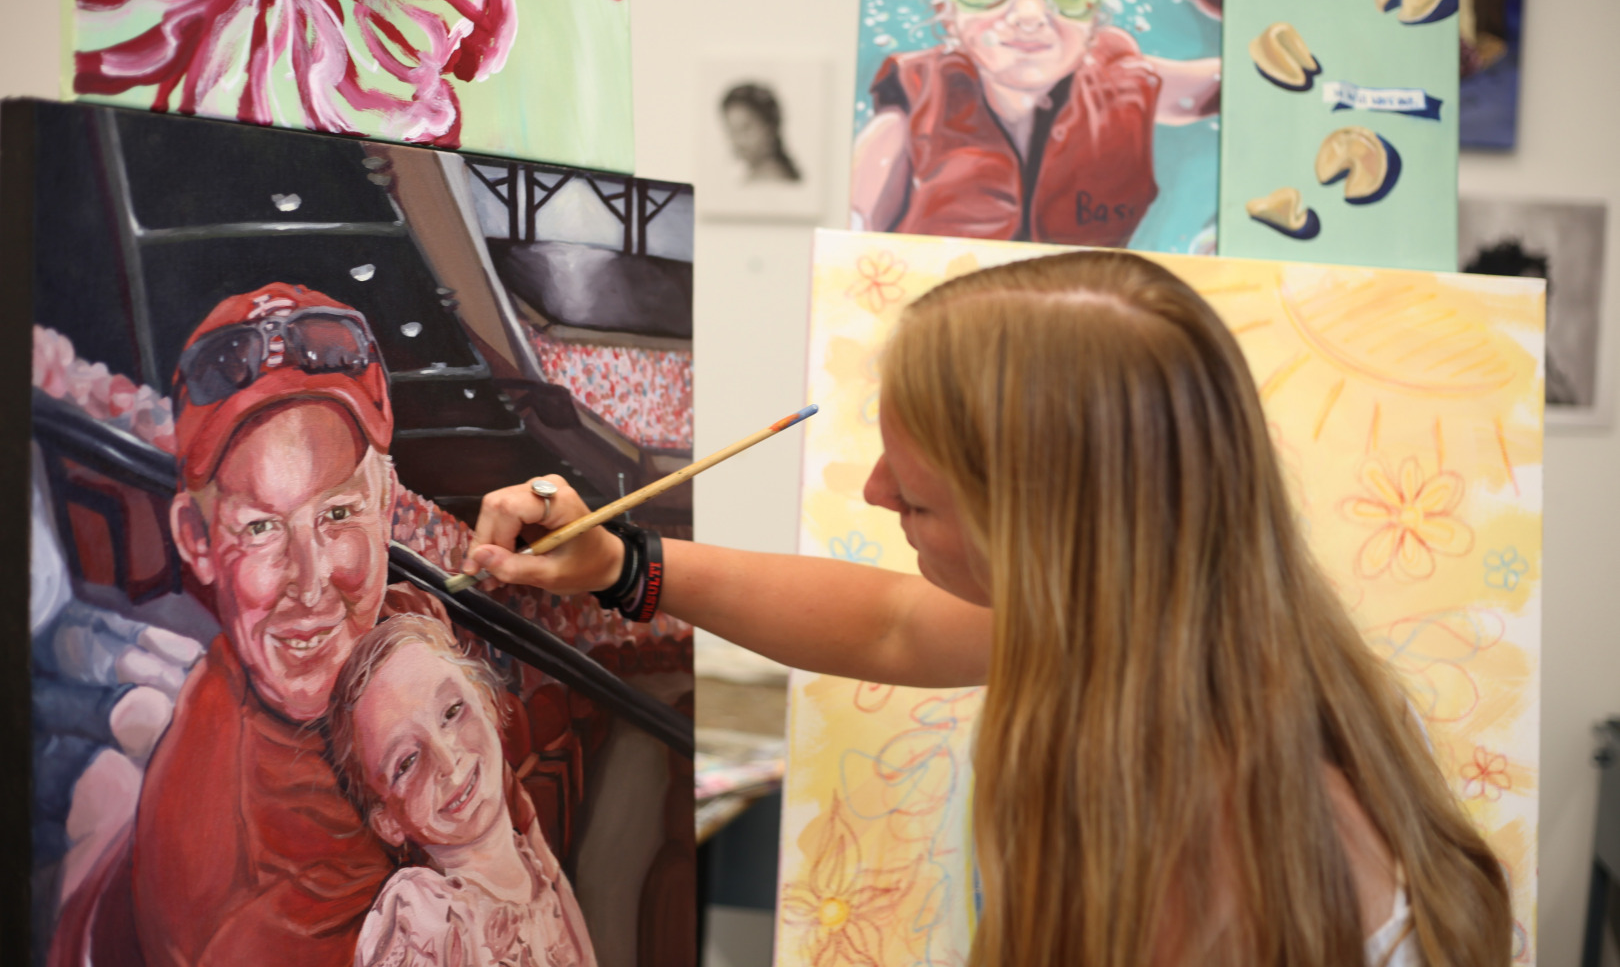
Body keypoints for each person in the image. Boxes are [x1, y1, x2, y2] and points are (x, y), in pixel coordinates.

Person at [464, 251, 1512, 966]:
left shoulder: (1198, 809)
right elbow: (890, 623)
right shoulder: (1179, 622)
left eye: (918, 497)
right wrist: (621, 564)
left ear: (1045, 528)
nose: (875, 492)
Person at [131, 283, 537, 967]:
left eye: (339, 514)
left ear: (387, 503)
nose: (312, 578)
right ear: (196, 540)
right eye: (260, 528)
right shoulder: (222, 868)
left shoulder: (410, 629)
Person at [851, 0, 1221, 247]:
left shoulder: (1121, 82)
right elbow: (852, 233)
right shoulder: (915, 105)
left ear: (1094, 19)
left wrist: (1234, 6)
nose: (1029, 15)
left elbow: (1230, 85)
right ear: (947, 12)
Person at [328, 613, 596, 967]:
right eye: (406, 762)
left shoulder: (539, 869)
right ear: (387, 821)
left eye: (453, 711)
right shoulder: (421, 917)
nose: (447, 761)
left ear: (488, 704)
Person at [719, 82, 803, 183]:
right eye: (732, 130)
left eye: (745, 129)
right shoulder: (751, 178)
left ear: (770, 127)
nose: (738, 140)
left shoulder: (774, 180)